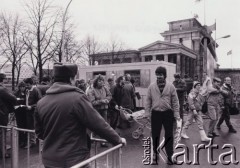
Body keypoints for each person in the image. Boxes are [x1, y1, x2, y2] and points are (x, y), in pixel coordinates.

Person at [34, 63, 126, 168]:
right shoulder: (77, 98)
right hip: (74, 160)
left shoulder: (41, 102)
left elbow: (40, 133)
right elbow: (97, 124)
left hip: (49, 161)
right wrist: (117, 139)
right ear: (71, 78)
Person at [145, 66, 180, 165]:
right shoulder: (151, 86)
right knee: (155, 135)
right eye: (157, 74)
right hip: (155, 113)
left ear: (164, 75)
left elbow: (175, 101)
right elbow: (148, 100)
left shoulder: (171, 86)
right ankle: (155, 155)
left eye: (160, 74)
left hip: (168, 113)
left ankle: (170, 156)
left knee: (169, 135)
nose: (159, 76)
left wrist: (176, 114)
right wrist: (147, 113)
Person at [0, 72, 17, 158]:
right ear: (2, 80)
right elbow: (13, 98)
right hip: (2, 114)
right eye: (5, 78)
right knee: (2, 133)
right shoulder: (2, 89)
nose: (7, 80)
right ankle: (3, 153)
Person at [14, 81, 28, 147]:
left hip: (25, 112)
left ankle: (25, 140)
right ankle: (21, 141)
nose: (22, 88)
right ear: (19, 87)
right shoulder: (16, 93)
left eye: (23, 87)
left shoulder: (27, 92)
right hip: (18, 112)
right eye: (21, 87)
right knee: (20, 126)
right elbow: (15, 100)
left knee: (25, 126)